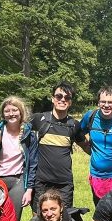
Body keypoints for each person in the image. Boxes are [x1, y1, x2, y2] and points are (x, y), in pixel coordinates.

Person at [27, 81, 89, 213]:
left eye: (67, 98)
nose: (62, 100)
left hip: (64, 184)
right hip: (41, 182)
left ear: (70, 102)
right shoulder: (39, 119)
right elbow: (13, 123)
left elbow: (86, 147)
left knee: (63, 220)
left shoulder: (74, 125)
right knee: (38, 219)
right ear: (53, 99)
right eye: (59, 96)